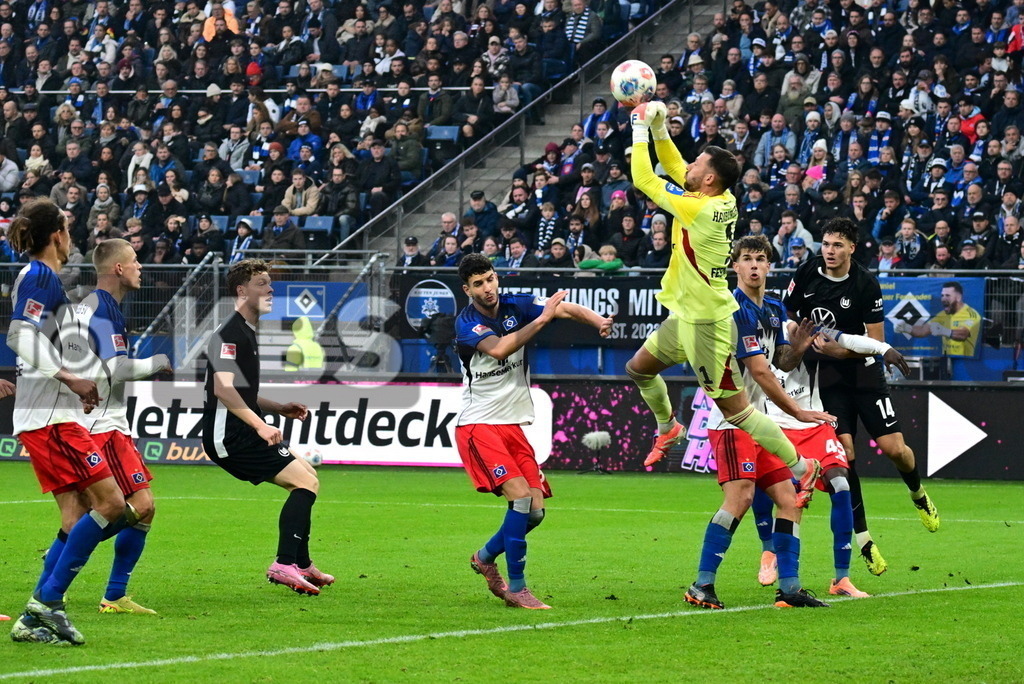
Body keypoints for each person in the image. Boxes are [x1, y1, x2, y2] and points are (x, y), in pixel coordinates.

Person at [624, 102, 821, 505]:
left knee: (738, 412)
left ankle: (803, 466)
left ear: (708, 178)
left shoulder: (698, 207)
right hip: (686, 315)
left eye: (697, 163)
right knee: (639, 369)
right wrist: (660, 126)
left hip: (707, 325)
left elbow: (644, 178)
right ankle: (669, 427)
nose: (689, 166)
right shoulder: (719, 196)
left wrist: (639, 126)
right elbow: (677, 165)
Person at [7, 198, 137, 647]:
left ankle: (39, 614)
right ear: (56, 234)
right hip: (48, 416)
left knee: (76, 512)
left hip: (51, 411)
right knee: (114, 504)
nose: (72, 234)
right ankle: (46, 605)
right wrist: (68, 379)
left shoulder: (46, 280)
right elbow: (18, 335)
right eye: (67, 226)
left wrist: (77, 381)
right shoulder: (41, 276)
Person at [784, 217, 940, 576]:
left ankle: (917, 493)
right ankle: (864, 540)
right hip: (829, 379)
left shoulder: (866, 285)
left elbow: (873, 339)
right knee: (845, 456)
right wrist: (798, 336)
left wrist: (839, 351)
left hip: (864, 373)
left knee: (894, 449)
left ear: (851, 249)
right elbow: (787, 311)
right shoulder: (806, 272)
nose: (830, 251)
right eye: (826, 244)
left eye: (838, 245)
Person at [456, 253, 612, 609]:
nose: (488, 288)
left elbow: (566, 309)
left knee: (536, 512)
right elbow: (500, 349)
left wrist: (598, 320)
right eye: (479, 284)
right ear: (468, 289)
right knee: (521, 498)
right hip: (478, 424)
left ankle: (483, 557)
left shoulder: (516, 305)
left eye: (491, 279)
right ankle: (518, 588)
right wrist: (541, 320)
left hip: (511, 425)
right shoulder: (467, 324)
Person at [686, 236, 832, 610]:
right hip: (732, 420)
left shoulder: (773, 307)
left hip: (759, 421)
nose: (754, 265)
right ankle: (701, 584)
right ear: (734, 266)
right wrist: (799, 413)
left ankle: (790, 588)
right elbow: (760, 371)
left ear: (769, 267)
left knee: (789, 499)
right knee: (741, 497)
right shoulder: (732, 308)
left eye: (761, 259)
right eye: (747, 259)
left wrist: (800, 345)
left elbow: (782, 362)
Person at [202, 259, 334, 596]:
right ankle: (284, 564)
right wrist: (261, 425)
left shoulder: (246, 331)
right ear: (241, 290)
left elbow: (244, 392)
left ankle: (301, 564)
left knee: (308, 478)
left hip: (241, 431)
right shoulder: (229, 333)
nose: (270, 288)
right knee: (304, 481)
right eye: (262, 283)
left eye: (270, 283)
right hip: (229, 437)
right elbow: (223, 389)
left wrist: (279, 409)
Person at [75, 238, 172, 614]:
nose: (140, 267)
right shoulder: (106, 309)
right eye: (134, 261)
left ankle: (102, 589)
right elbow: (116, 368)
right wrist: (159, 360)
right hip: (103, 423)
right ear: (117, 268)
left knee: (92, 512)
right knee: (140, 505)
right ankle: (89, 582)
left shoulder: (86, 306)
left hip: (91, 419)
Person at [896, 281, 982, 357]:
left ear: (958, 297)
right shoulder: (942, 315)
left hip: (966, 361)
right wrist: (906, 328)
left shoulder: (971, 314)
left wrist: (945, 331)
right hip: (947, 359)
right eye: (942, 295)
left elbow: (964, 334)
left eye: (947, 295)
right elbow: (922, 330)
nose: (944, 299)